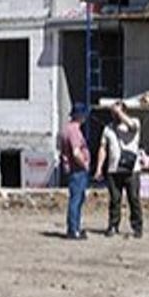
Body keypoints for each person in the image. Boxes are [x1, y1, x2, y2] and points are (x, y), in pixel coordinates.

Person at [100, 100, 145, 239]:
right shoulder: (108, 128)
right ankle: (113, 225)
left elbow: (132, 126)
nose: (115, 114)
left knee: (134, 198)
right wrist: (99, 167)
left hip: (132, 170)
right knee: (115, 199)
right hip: (113, 169)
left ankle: (137, 227)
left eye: (118, 111)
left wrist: (119, 113)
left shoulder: (134, 122)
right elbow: (103, 148)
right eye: (113, 112)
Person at [56, 102, 93, 240]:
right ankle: (73, 230)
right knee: (76, 199)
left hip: (72, 169)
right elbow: (76, 152)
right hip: (77, 170)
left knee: (77, 198)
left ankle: (75, 227)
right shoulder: (74, 131)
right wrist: (84, 164)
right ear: (80, 116)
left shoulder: (66, 129)